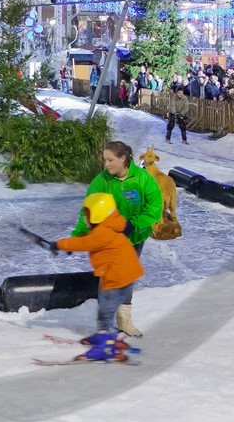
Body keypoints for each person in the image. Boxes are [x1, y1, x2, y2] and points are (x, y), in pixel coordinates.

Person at [71, 140, 162, 337]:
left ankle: (124, 321)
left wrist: (134, 224)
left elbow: (155, 207)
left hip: (135, 237)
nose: (106, 164)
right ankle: (104, 325)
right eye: (105, 160)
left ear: (123, 159)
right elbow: (87, 213)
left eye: (110, 160)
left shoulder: (142, 178)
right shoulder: (102, 181)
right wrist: (77, 237)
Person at [54, 191, 145, 359]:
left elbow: (83, 242)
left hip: (116, 278)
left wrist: (60, 244)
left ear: (97, 215)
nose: (85, 218)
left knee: (105, 313)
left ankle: (106, 345)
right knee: (105, 306)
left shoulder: (102, 233)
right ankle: (108, 336)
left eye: (87, 214)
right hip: (121, 275)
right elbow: (88, 241)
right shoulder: (111, 224)